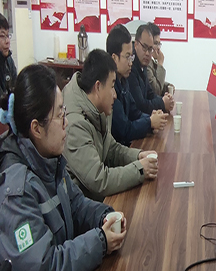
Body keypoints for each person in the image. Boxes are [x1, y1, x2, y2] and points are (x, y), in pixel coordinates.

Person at [0, 64, 126, 271]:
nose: (66, 122)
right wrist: (100, 242)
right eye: (60, 114)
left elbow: (77, 204)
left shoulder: (48, 160)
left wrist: (105, 215)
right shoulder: (15, 194)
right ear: (36, 128)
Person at [63, 48, 159, 200]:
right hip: (85, 206)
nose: (115, 95)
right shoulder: (75, 125)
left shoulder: (96, 107)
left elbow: (111, 148)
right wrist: (140, 169)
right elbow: (99, 180)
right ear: (98, 87)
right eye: (112, 86)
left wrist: (138, 155)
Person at [107, 24, 167, 145]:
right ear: (114, 58)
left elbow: (135, 112)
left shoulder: (123, 80)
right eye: (127, 57)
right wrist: (150, 122)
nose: (131, 62)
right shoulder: (109, 88)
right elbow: (124, 130)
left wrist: (151, 118)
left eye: (131, 56)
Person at [129, 23, 174, 115]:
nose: (147, 53)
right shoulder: (130, 67)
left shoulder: (143, 63)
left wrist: (164, 100)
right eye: (144, 47)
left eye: (150, 49)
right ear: (136, 44)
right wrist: (162, 103)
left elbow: (150, 93)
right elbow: (141, 105)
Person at [144, 22, 174, 96]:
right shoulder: (146, 63)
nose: (158, 48)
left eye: (159, 44)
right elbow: (156, 90)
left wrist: (167, 86)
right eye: (155, 43)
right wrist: (160, 64)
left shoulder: (152, 62)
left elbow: (156, 81)